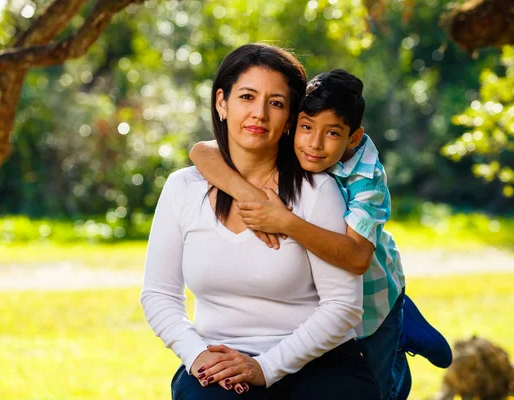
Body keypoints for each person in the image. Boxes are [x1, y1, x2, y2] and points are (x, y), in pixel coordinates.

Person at [189, 69, 452, 399]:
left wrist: (284, 222)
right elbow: (201, 151)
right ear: (294, 123)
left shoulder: (367, 179)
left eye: (332, 133)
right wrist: (252, 198)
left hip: (374, 297)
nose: (313, 143)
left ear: (353, 138)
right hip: (324, 296)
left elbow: (357, 258)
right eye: (306, 127)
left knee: (376, 384)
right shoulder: (291, 141)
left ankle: (401, 327)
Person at [141, 44, 380, 400]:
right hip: (220, 360)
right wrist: (197, 356)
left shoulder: (317, 191)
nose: (259, 114)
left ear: (290, 118)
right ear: (222, 103)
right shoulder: (182, 188)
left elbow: (343, 306)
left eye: (276, 103)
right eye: (247, 97)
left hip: (318, 362)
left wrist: (265, 368)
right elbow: (159, 294)